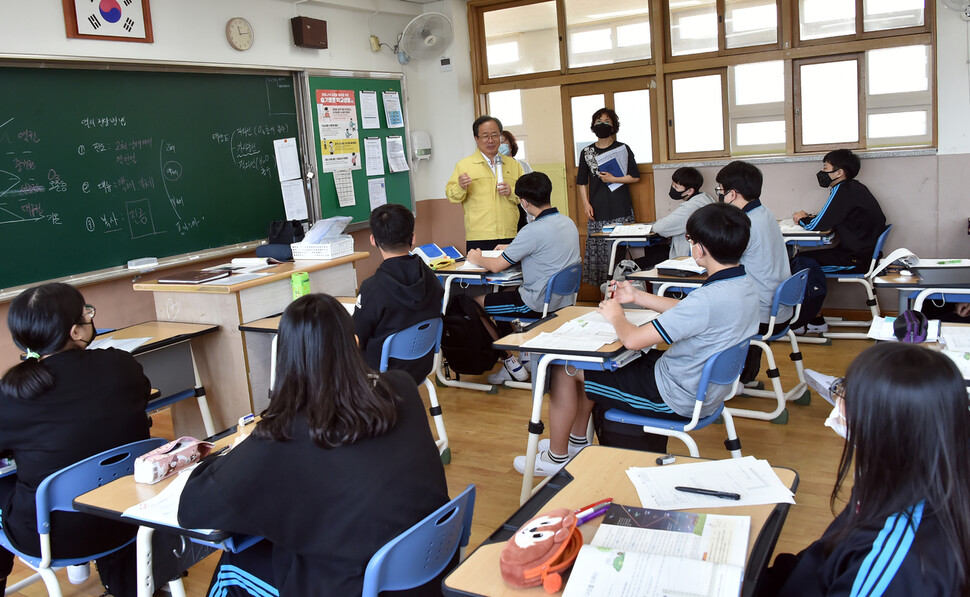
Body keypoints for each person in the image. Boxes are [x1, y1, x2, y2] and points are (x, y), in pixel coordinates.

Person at [178, 294, 450, 596]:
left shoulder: (283, 433)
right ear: (355, 343)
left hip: (357, 586)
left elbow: (194, 508)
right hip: (427, 569)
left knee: (232, 565)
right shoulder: (402, 387)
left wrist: (220, 459)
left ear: (286, 361)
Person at [515, 203, 759, 476]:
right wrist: (638, 297)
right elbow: (691, 312)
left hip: (673, 396)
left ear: (699, 249)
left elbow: (632, 340)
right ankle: (576, 444)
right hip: (702, 387)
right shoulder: (743, 285)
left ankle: (557, 457)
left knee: (565, 367)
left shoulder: (707, 300)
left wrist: (616, 315)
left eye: (690, 240)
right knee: (591, 366)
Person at [757, 343, 970, 596]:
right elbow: (822, 557)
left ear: (882, 424)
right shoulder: (902, 478)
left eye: (845, 393)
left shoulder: (893, 559)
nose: (837, 400)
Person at [0, 283, 153, 596]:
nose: (90, 319)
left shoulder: (12, 395)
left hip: (55, 536)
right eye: (87, 314)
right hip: (129, 515)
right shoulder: (122, 367)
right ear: (75, 332)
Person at [466, 172, 581, 385]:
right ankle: (525, 356)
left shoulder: (531, 230)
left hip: (535, 304)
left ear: (525, 202)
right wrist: (513, 247)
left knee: (475, 304)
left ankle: (511, 362)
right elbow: (545, 246)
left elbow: (496, 265)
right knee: (506, 294)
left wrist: (476, 257)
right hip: (563, 301)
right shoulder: (567, 222)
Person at [791, 149, 887, 333]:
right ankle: (814, 318)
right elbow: (831, 218)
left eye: (825, 168)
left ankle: (812, 321)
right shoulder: (855, 188)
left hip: (855, 260)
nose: (822, 172)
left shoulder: (842, 190)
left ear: (839, 172)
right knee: (804, 260)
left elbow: (816, 226)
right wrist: (812, 218)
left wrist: (801, 218)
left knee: (801, 264)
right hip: (863, 254)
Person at [716, 160, 792, 384]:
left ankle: (726, 381)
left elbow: (722, 262)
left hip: (761, 315)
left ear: (732, 194)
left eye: (720, 190)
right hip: (779, 308)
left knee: (708, 310)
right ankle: (744, 377)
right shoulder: (764, 213)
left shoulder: (746, 224)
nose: (719, 195)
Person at [354, 203, 443, 383]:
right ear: (413, 238)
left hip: (383, 372)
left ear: (373, 240)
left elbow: (357, 337)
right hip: (421, 366)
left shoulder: (372, 288)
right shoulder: (431, 276)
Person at [576, 107, 641, 290]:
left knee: (619, 255)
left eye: (606, 122)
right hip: (597, 210)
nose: (601, 125)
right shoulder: (587, 152)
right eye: (598, 122)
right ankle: (602, 299)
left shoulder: (622, 149)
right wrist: (585, 203)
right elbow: (581, 181)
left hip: (620, 208)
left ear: (614, 126)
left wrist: (614, 179)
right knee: (599, 256)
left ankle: (621, 295)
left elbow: (635, 177)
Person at [445, 115, 524, 252]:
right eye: (485, 136)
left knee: (513, 273)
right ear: (476, 138)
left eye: (495, 135)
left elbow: (525, 195)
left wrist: (511, 192)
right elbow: (452, 196)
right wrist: (461, 187)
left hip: (510, 233)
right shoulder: (464, 165)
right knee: (482, 272)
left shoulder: (513, 165)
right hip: (480, 236)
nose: (490, 140)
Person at [635, 166, 716, 269]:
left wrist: (653, 225)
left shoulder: (690, 208)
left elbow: (660, 228)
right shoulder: (705, 198)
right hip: (704, 255)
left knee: (645, 261)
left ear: (690, 191)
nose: (673, 188)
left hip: (688, 259)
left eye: (676, 186)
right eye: (672, 184)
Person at [500, 130, 534, 230]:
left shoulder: (523, 166)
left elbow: (532, 189)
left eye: (503, 142)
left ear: (511, 145)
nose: (500, 145)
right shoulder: (496, 167)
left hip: (523, 210)